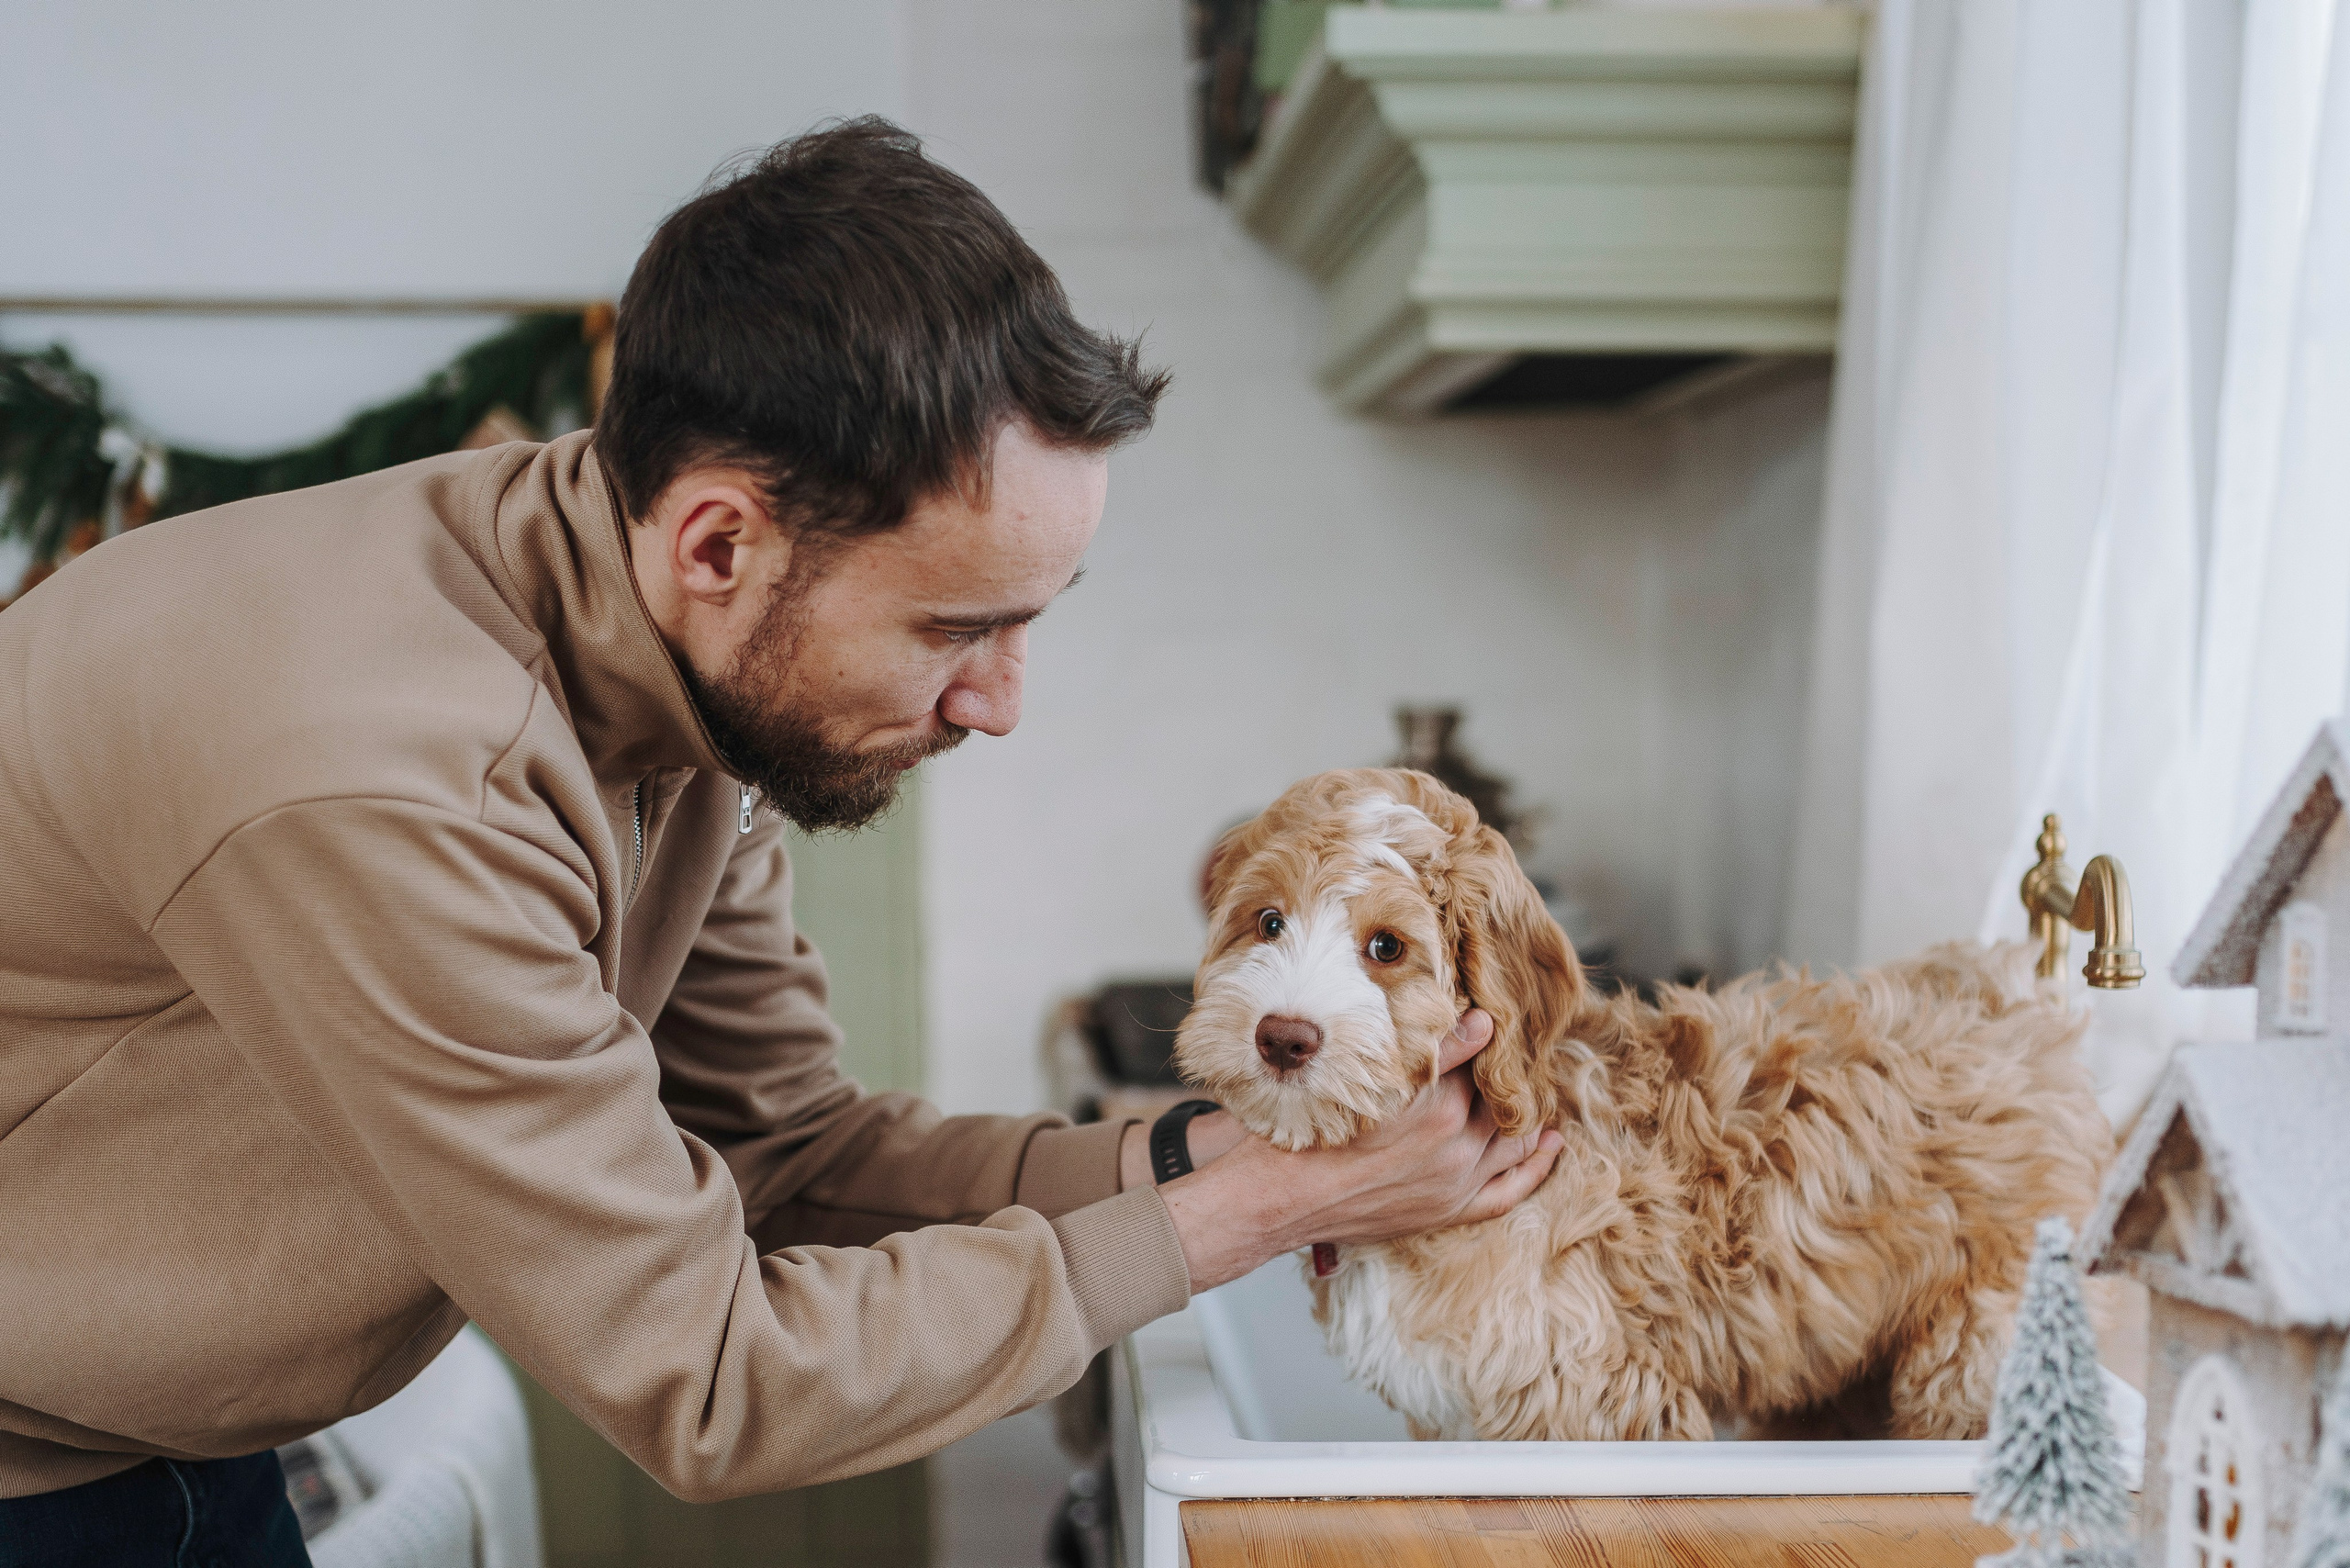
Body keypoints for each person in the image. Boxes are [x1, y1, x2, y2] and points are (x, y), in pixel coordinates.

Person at [0, 118, 1562, 1563]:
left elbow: (789, 1160)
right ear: (722, 544)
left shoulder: (662, 668)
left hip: (157, 1448)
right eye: (959, 628)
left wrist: (1185, 1155)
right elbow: (712, 1377)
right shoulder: (394, 778)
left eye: (1033, 624)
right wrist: (1256, 1215)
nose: (1003, 703)